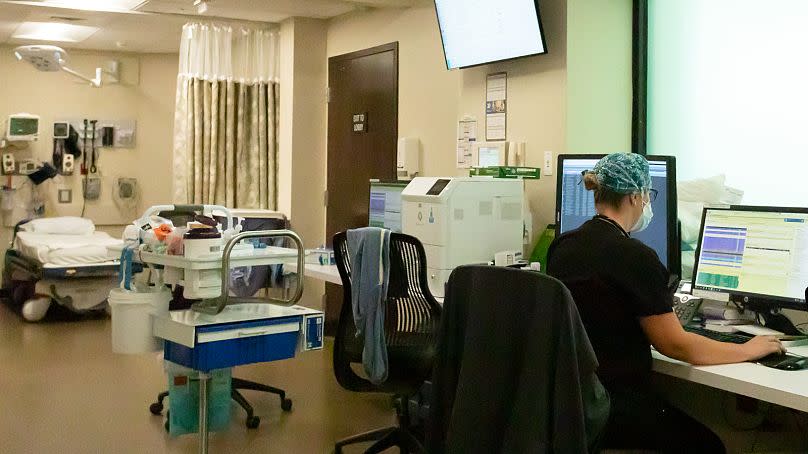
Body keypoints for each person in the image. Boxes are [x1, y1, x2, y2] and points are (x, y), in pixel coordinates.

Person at [546, 153, 785, 453]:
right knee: (708, 447)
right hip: (615, 405)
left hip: (576, 403)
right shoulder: (635, 257)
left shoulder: (562, 246)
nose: (648, 203)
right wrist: (746, 349)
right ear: (635, 197)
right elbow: (676, 346)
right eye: (648, 195)